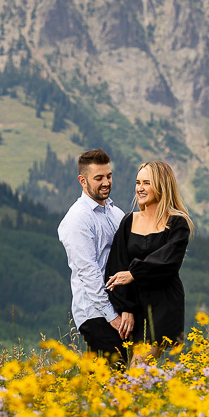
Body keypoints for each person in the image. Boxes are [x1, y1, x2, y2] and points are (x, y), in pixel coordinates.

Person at [104, 160, 192, 348]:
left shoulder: (177, 223)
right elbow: (117, 266)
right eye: (138, 183)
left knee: (139, 368)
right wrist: (125, 307)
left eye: (147, 183)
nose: (140, 189)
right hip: (133, 308)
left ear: (162, 186)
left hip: (163, 306)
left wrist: (134, 273)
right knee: (131, 372)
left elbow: (168, 262)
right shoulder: (129, 221)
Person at [57, 149, 133, 357]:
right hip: (96, 313)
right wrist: (112, 316)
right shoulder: (77, 219)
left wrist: (127, 308)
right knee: (112, 379)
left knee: (126, 379)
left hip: (119, 308)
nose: (106, 182)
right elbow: (88, 272)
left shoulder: (116, 213)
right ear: (82, 181)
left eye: (108, 176)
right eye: (98, 178)